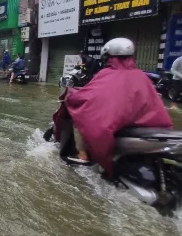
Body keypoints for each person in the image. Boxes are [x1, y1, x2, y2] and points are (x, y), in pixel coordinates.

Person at [65, 38, 172, 171]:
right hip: (146, 126)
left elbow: (90, 95)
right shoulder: (141, 75)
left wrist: (72, 95)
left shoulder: (106, 74)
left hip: (120, 123)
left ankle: (83, 156)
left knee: (80, 117)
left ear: (108, 57)